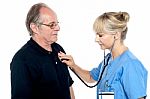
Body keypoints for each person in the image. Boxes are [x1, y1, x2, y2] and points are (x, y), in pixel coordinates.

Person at [58, 12, 148, 99]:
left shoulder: (130, 64)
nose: (96, 39)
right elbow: (90, 77)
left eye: (100, 35)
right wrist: (73, 65)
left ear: (116, 35)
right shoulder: (108, 60)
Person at [10, 3, 75, 99]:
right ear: (35, 27)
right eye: (52, 25)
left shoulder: (58, 49)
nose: (58, 28)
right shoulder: (22, 60)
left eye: (57, 23)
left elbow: (68, 85)